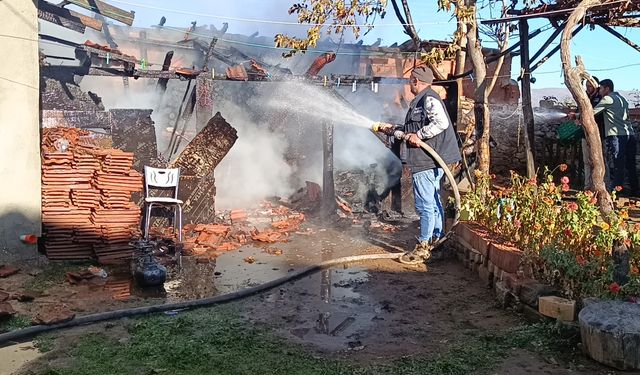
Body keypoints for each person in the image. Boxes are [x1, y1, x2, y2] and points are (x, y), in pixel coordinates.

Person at [378, 66, 461, 263]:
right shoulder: (423, 100)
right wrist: (397, 129)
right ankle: (436, 241)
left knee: (425, 204)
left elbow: (441, 123)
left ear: (416, 81)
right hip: (433, 158)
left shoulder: (428, 98)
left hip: (427, 159)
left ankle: (424, 246)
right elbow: (418, 125)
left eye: (410, 81)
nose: (409, 85)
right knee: (433, 202)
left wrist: (419, 135)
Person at [571, 79, 637, 194]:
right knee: (631, 164)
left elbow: (591, 113)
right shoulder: (622, 99)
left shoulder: (607, 99)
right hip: (629, 135)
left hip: (617, 135)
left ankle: (616, 190)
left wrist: (575, 115)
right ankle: (635, 190)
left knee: (618, 164)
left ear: (607, 89)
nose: (599, 90)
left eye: (601, 88)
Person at [580, 77, 605, 190]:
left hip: (597, 134)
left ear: (596, 86)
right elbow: (578, 111)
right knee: (586, 161)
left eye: (590, 86)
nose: (588, 88)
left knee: (598, 161)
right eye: (587, 86)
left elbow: (595, 114)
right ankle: (587, 187)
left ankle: (600, 187)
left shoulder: (601, 98)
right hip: (584, 135)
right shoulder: (582, 96)